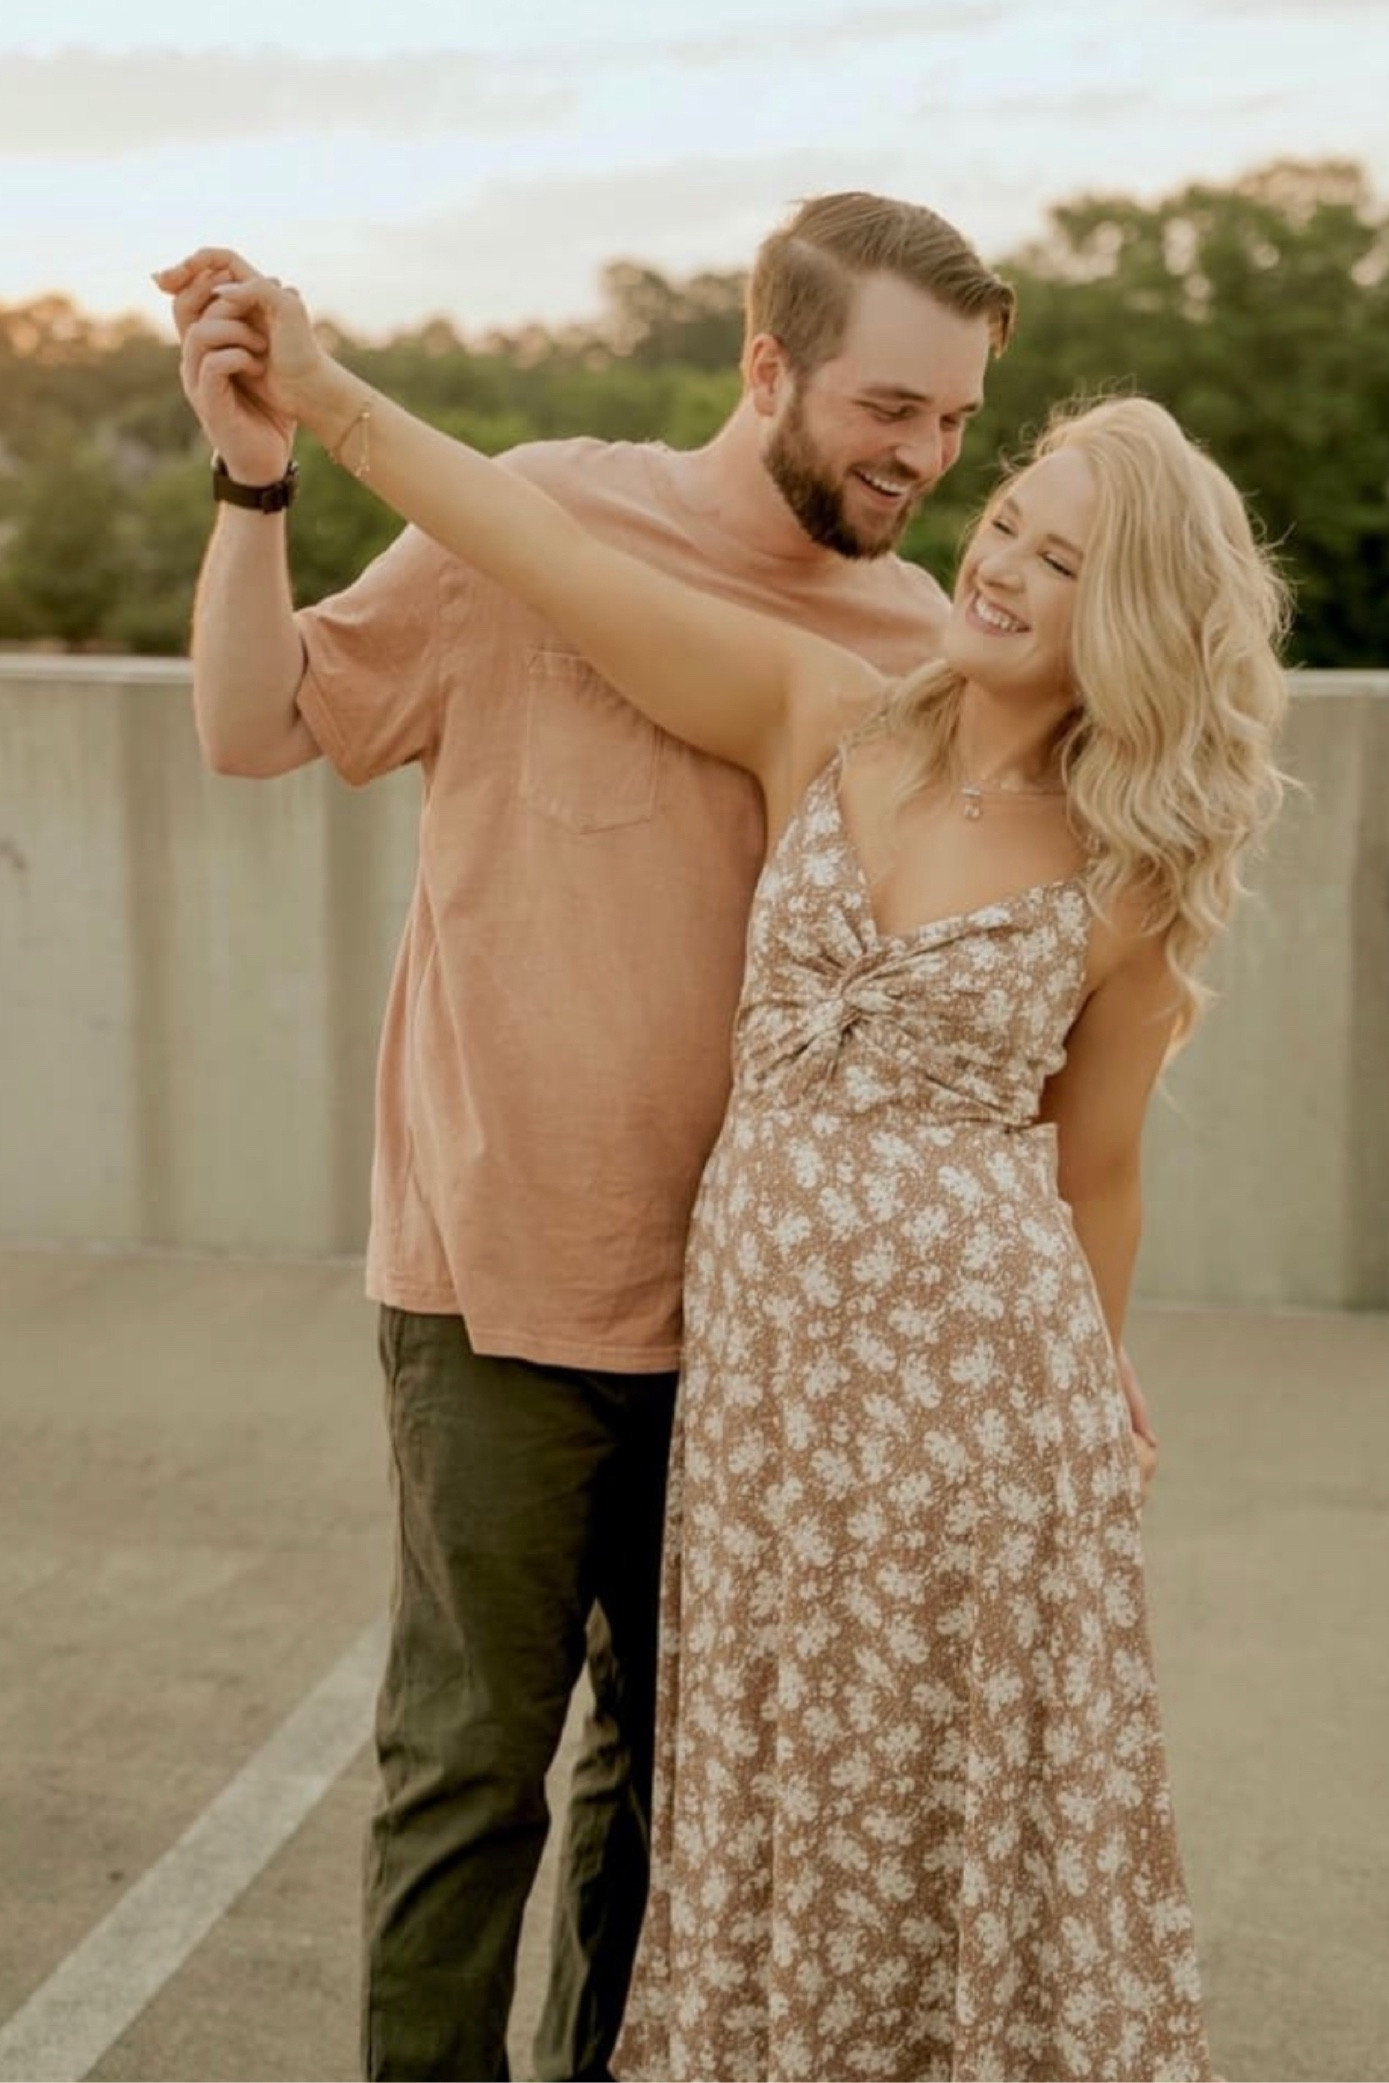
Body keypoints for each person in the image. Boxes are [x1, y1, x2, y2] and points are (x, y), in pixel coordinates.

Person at [160, 259, 1290, 2082]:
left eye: (1054, 548)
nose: (986, 544)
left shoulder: (1106, 836)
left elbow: (1097, 1173)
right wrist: (320, 408)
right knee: (620, 1780)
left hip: (955, 1403)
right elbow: (552, 566)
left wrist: (1098, 1369)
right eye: (1001, 516)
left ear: (1136, 615)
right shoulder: (829, 711)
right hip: (689, 1339)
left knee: (822, 1796)